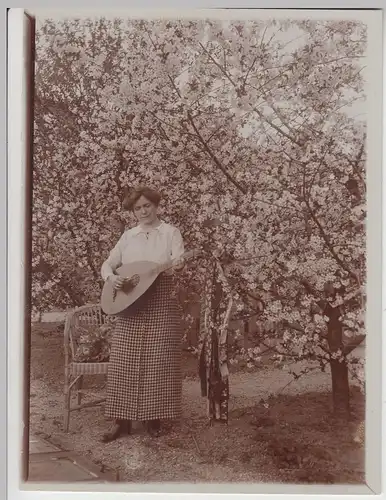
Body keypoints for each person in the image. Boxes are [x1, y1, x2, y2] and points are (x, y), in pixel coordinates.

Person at [100, 185, 185, 442]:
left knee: (157, 359)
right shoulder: (128, 236)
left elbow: (178, 261)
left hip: (160, 300)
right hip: (129, 302)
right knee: (123, 360)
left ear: (156, 205)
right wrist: (111, 278)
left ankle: (153, 418)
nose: (143, 211)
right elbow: (109, 263)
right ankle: (121, 421)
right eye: (137, 208)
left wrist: (175, 266)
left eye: (147, 205)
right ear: (133, 212)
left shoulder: (170, 232)